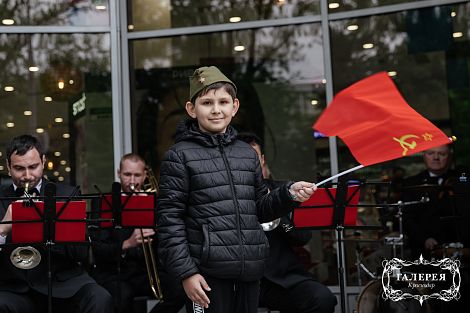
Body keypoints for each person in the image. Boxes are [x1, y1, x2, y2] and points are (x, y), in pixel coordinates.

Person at [157, 66, 317, 313]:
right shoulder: (178, 156)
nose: (216, 109)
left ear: (235, 106)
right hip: (206, 273)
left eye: (223, 101)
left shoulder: (246, 154)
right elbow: (169, 221)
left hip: (250, 270)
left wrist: (288, 195)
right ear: (192, 109)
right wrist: (187, 273)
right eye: (207, 102)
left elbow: (260, 210)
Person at [0, 134, 113, 313]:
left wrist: (47, 229)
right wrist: (4, 228)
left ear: (43, 162)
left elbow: (80, 252)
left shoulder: (68, 195)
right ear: (8, 166)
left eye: (33, 167)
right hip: (16, 289)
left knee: (100, 298)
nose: (27, 176)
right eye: (19, 168)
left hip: (63, 285)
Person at [238, 132, 337, 313]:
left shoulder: (283, 190)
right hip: (239, 281)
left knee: (322, 299)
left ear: (262, 160)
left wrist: (277, 210)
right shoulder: (223, 194)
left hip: (282, 280)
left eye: (254, 157)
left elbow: (302, 237)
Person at [90, 153, 187, 313]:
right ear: (118, 173)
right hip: (114, 273)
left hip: (144, 273)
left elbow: (167, 244)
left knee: (179, 290)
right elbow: (97, 248)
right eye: (127, 174)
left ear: (145, 176)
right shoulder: (102, 204)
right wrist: (128, 244)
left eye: (137, 175)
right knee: (123, 297)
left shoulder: (155, 202)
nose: (132, 181)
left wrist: (154, 224)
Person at [401, 144, 464, 258]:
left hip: (458, 249)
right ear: (424, 156)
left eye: (442, 154)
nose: (436, 157)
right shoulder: (411, 183)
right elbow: (407, 218)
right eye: (431, 153)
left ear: (449, 156)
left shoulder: (461, 180)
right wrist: (424, 239)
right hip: (423, 253)